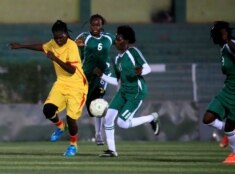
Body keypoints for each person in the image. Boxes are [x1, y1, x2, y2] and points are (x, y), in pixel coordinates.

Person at [10, 20, 88, 157]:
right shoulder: (53, 43)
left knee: (71, 119)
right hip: (61, 83)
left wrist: (55, 58)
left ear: (66, 35)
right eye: (56, 37)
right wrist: (21, 46)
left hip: (77, 86)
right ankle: (59, 126)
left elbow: (71, 70)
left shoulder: (72, 46)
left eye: (61, 37)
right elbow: (42, 47)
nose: (58, 40)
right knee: (48, 110)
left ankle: (73, 146)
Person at [94, 25, 160, 157]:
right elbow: (117, 81)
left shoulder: (133, 52)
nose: (116, 41)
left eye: (119, 39)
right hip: (123, 91)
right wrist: (102, 76)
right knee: (108, 118)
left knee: (122, 123)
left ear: (127, 41)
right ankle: (112, 151)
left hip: (136, 92)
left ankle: (151, 118)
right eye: (116, 39)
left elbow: (148, 68)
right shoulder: (117, 59)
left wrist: (140, 71)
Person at [203, 21, 235, 164]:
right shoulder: (223, 48)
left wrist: (228, 40)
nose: (214, 37)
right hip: (227, 90)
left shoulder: (232, 44)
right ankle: (230, 132)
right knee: (208, 118)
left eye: (216, 34)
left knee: (230, 126)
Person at [75, 14, 115, 145]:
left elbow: (122, 43)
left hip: (102, 75)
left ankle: (98, 134)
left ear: (102, 25)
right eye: (93, 24)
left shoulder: (109, 37)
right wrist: (78, 46)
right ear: (90, 25)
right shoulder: (84, 37)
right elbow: (73, 49)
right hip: (86, 76)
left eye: (98, 24)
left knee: (99, 101)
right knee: (89, 105)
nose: (95, 27)